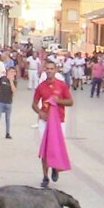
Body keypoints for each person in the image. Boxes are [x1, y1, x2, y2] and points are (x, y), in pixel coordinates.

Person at [32, 60, 74, 188]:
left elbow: (70, 102)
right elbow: (34, 104)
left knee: (55, 147)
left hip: (59, 121)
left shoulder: (62, 85)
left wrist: (59, 100)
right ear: (44, 70)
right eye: (47, 68)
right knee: (45, 148)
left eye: (52, 68)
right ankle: (45, 177)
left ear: (55, 70)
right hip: (45, 120)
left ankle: (55, 167)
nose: (49, 70)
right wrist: (40, 112)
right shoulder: (41, 86)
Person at [0, 66, 16, 139]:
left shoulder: (14, 81)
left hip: (8, 102)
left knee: (8, 119)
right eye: (10, 72)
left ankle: (7, 133)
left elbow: (14, 91)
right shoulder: (2, 79)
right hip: (1, 101)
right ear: (7, 72)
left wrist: (11, 81)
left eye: (13, 72)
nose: (11, 73)